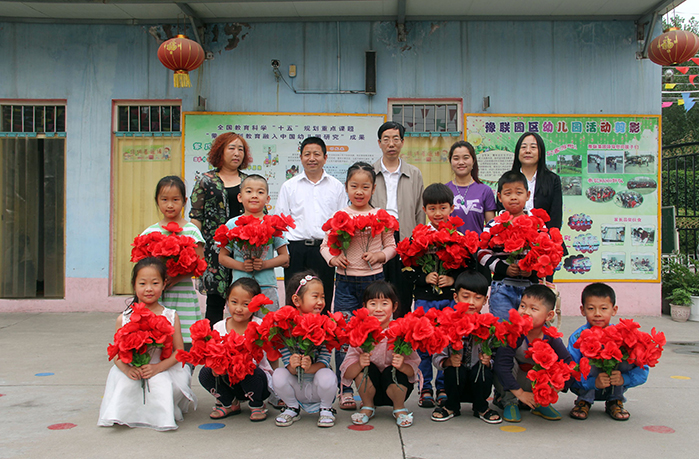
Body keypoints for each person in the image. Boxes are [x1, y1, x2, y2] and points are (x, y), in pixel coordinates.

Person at [320, 162, 397, 411]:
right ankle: (345, 390)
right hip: (344, 282)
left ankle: (374, 383)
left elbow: (391, 245)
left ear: (373, 188)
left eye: (365, 186)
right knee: (345, 336)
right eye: (354, 186)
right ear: (346, 187)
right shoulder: (340, 216)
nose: (360, 191)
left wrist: (381, 256)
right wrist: (333, 258)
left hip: (373, 283)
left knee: (373, 334)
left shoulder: (381, 216)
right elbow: (324, 246)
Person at [98, 258, 196, 431]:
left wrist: (158, 368)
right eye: (142, 283)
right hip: (132, 367)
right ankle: (125, 414)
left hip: (161, 366)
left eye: (155, 283)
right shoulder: (124, 318)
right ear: (134, 285)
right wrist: (128, 369)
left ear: (164, 284)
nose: (149, 288)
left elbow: (179, 351)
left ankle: (160, 417)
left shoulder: (171, 316)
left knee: (160, 384)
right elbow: (116, 354)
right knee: (126, 383)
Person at [405, 183, 466, 408]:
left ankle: (443, 386)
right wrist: (424, 278)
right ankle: (425, 387)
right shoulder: (419, 236)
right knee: (423, 344)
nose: (438, 214)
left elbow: (467, 269)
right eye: (432, 209)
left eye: (443, 208)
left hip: (449, 299)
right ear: (424, 210)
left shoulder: (458, 237)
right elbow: (408, 268)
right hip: (424, 301)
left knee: (445, 343)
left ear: (452, 208)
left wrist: (453, 280)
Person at [276, 136, 346, 314]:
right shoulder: (289, 186)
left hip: (324, 250)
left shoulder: (336, 186)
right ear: (301, 158)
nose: (312, 158)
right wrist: (284, 253)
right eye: (307, 154)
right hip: (296, 250)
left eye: (316, 154)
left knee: (323, 297)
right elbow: (280, 222)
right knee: (295, 297)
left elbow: (342, 221)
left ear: (325, 157)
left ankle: (321, 338)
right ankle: (293, 339)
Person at [340, 281, 420, 428]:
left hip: (396, 389)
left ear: (394, 306)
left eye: (384, 303)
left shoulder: (402, 332)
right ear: (364, 306)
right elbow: (348, 373)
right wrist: (359, 363)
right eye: (373, 304)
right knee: (363, 370)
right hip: (371, 389)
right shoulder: (361, 333)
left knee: (394, 370)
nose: (378, 309)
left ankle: (399, 409)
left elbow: (412, 371)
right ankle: (368, 407)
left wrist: (402, 365)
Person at [190, 133, 249, 324]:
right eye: (231, 148)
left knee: (245, 301)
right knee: (215, 303)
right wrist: (198, 254)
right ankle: (211, 349)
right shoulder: (206, 181)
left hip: (244, 252)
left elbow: (259, 216)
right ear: (220, 151)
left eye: (240, 149)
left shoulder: (249, 182)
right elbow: (196, 218)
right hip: (213, 253)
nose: (236, 153)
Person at [567, 283, 648, 421]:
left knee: (629, 358)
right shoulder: (577, 337)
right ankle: (584, 400)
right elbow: (569, 371)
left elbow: (643, 371)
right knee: (585, 362)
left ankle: (615, 400)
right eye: (591, 308)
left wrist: (625, 379)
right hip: (585, 385)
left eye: (604, 308)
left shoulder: (622, 337)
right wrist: (592, 382)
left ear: (614, 310)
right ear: (582, 310)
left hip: (615, 384)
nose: (597, 314)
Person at [493, 284, 572, 422]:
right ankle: (509, 402)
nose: (526, 312)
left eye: (533, 309)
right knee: (505, 362)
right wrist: (521, 394)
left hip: (533, 383)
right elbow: (501, 366)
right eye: (523, 306)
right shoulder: (514, 333)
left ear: (549, 315)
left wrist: (554, 389)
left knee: (555, 365)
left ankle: (540, 402)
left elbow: (569, 364)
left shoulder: (550, 337)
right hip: (512, 383)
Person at [198, 278, 274, 422]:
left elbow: (270, 357)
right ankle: (229, 403)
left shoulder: (260, 327)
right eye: (234, 302)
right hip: (228, 380)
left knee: (250, 370)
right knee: (205, 373)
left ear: (256, 306)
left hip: (254, 381)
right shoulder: (219, 327)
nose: (239, 309)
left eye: (246, 304)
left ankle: (256, 404)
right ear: (227, 301)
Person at [430, 271, 502, 424]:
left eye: (477, 298)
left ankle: (481, 407)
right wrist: (448, 361)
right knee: (454, 369)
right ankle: (451, 406)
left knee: (482, 369)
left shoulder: (490, 326)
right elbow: (436, 357)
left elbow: (498, 358)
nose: (471, 302)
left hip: (479, 382)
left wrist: (489, 361)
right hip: (456, 381)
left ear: (485, 300)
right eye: (465, 296)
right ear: (455, 297)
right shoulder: (447, 324)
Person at [140, 176, 204, 345]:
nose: (170, 205)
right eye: (164, 199)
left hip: (183, 296)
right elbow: (142, 268)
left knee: (186, 343)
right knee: (158, 342)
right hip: (156, 298)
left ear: (184, 201)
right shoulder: (149, 233)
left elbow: (200, 265)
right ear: (157, 201)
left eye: (175, 200)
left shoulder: (191, 231)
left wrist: (175, 278)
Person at [372, 121, 425, 318]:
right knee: (377, 291)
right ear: (379, 143)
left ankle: (401, 342)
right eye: (386, 139)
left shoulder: (414, 173)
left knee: (402, 292)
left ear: (402, 142)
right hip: (376, 240)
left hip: (406, 239)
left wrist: (418, 242)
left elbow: (420, 210)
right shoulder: (370, 172)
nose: (391, 144)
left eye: (396, 139)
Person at [272, 271, 338, 428]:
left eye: (323, 297)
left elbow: (324, 361)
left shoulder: (326, 325)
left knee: (327, 375)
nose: (321, 301)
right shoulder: (285, 329)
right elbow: (288, 365)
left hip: (318, 386)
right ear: (296, 300)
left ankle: (326, 408)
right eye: (315, 296)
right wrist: (293, 365)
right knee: (278, 375)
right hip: (297, 386)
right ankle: (292, 407)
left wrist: (310, 368)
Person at [219, 175, 289, 314]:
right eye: (249, 191)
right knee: (240, 328)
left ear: (268, 199)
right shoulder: (232, 224)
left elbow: (285, 258)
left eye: (260, 192)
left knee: (266, 328)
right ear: (239, 197)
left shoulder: (273, 223)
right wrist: (241, 266)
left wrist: (265, 264)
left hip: (266, 287)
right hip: (240, 287)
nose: (254, 196)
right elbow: (222, 257)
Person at [477, 171, 541, 320]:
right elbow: (482, 253)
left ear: (528, 195)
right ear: (499, 197)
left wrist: (532, 269)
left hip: (531, 286)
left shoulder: (537, 224)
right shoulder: (493, 224)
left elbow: (546, 252)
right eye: (508, 193)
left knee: (530, 330)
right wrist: (503, 268)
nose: (513, 197)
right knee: (503, 332)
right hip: (502, 287)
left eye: (519, 192)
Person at [508, 132, 563, 230]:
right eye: (523, 147)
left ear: (541, 152)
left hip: (544, 239)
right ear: (517, 152)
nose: (528, 151)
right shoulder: (508, 179)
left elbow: (556, 217)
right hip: (515, 238)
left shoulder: (553, 180)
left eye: (533, 147)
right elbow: (503, 212)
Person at [446, 140, 496, 234]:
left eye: (466, 158)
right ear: (451, 161)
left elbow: (491, 227)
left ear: (473, 161)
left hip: (477, 247)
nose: (461, 162)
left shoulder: (485, 191)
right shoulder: (444, 190)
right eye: (456, 158)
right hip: (450, 247)